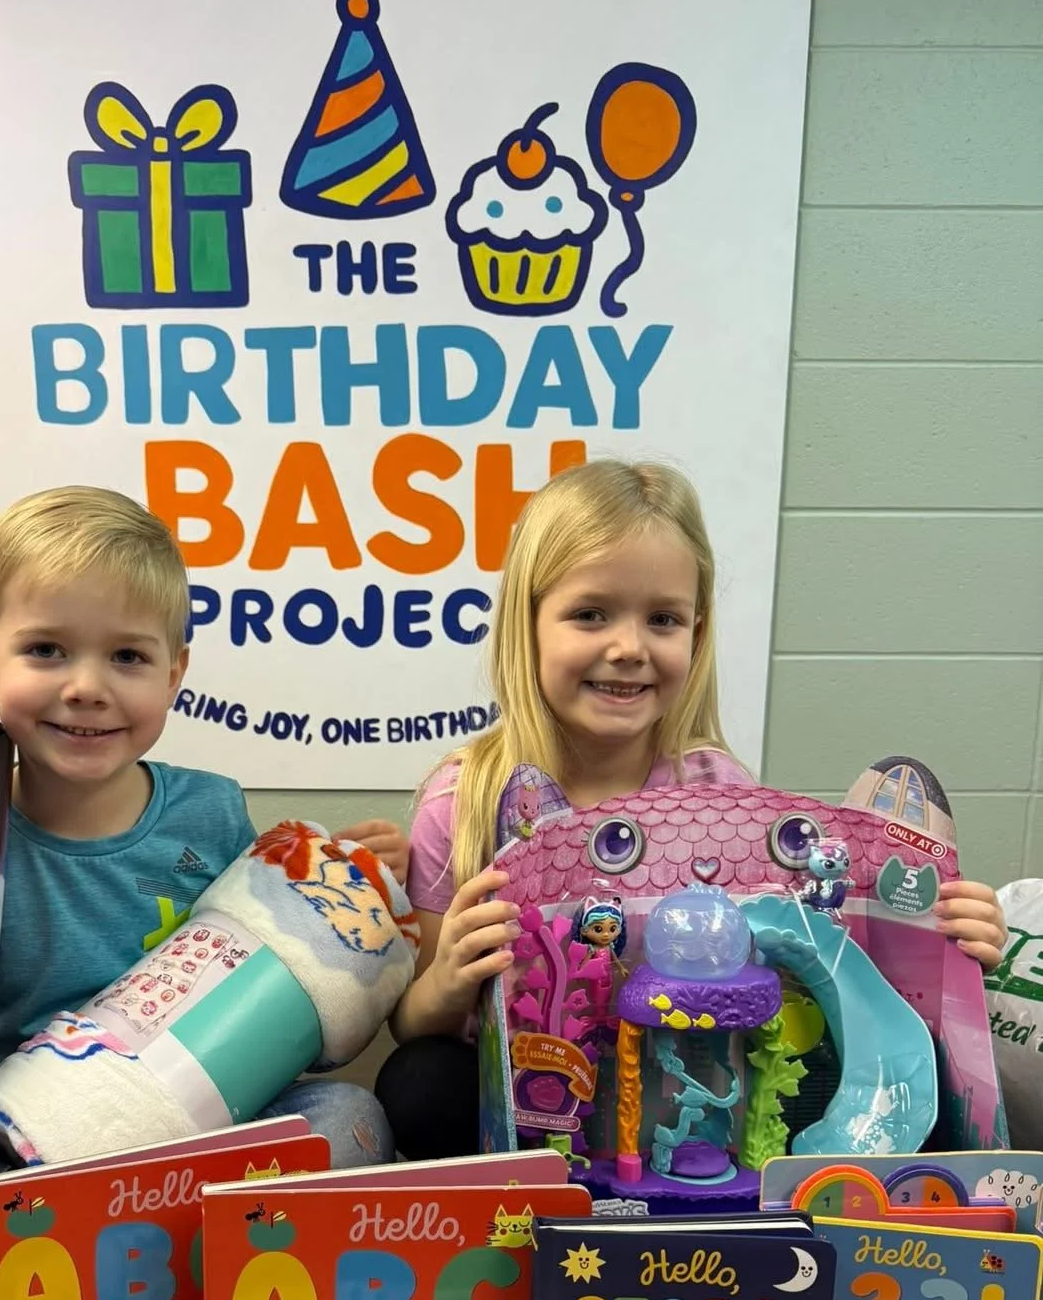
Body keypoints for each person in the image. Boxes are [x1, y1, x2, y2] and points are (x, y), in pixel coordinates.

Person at [0, 487, 408, 1300]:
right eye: (48, 650)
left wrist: (342, 886)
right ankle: (187, 1266)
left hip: (199, 1129)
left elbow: (278, 1003)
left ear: (176, 672)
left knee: (348, 1119)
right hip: (16, 1149)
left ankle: (91, 1278)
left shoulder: (211, 811)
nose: (88, 686)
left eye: (128, 658)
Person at [375, 460, 1008, 1160]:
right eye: (591, 614)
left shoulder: (722, 794)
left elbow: (804, 961)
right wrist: (451, 975)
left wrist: (943, 941)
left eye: (663, 619)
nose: (628, 647)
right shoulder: (461, 800)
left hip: (694, 1092)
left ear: (697, 634)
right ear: (528, 622)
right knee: (419, 1082)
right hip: (533, 1103)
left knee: (819, 1077)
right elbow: (413, 1024)